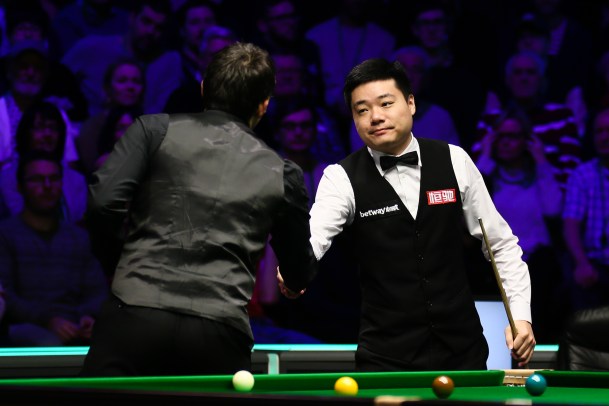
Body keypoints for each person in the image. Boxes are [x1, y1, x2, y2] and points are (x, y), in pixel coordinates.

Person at [280, 58, 536, 371]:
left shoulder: (454, 160)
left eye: (386, 103)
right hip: (386, 358)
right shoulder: (341, 177)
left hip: (462, 353)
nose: (375, 116)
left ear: (411, 103)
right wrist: (295, 266)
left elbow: (500, 245)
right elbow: (314, 237)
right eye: (362, 110)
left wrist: (520, 316)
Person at [80, 42, 317, 376]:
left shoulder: (152, 131)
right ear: (264, 105)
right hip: (219, 331)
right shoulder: (283, 172)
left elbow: (102, 204)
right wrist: (293, 279)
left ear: (203, 88)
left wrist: (118, 262)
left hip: (135, 312)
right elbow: (298, 267)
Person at [0, 151, 107, 346]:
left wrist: (87, 317)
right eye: (37, 179)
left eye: (54, 178)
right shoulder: (5, 235)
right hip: (23, 328)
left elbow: (97, 292)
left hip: (75, 324)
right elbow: (6, 296)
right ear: (20, 187)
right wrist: (49, 320)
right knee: (49, 343)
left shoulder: (80, 238)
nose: (47, 186)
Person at [476, 109, 565, 343]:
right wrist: (485, 153)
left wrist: (541, 161)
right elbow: (470, 205)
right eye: (501, 136)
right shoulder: (487, 176)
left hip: (537, 264)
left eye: (513, 136)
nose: (506, 142)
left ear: (526, 141)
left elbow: (554, 209)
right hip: (495, 265)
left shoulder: (539, 174)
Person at [563, 108, 609, 311]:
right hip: (594, 263)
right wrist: (581, 263)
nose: (604, 137)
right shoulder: (582, 174)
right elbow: (571, 224)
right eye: (599, 131)